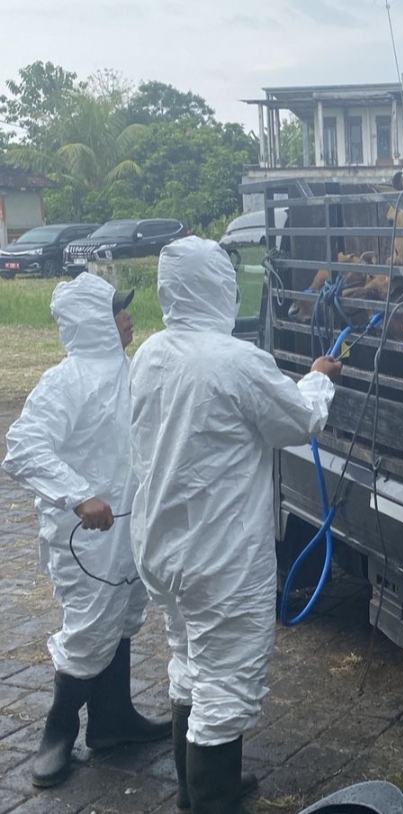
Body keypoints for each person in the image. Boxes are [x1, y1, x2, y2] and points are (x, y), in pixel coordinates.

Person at [128, 236, 342, 814]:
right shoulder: (234, 360)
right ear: (218, 287)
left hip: (162, 549)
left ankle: (193, 792)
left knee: (189, 666)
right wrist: (321, 375)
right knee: (225, 687)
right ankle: (212, 797)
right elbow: (300, 421)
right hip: (219, 558)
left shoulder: (150, 353)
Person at [2, 272, 170, 789]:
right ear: (92, 322)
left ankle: (113, 720)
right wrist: (78, 496)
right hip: (87, 537)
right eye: (116, 310)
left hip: (128, 527)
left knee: (122, 616)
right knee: (91, 626)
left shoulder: (132, 370)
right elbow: (24, 448)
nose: (127, 317)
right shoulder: (66, 381)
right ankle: (56, 733)